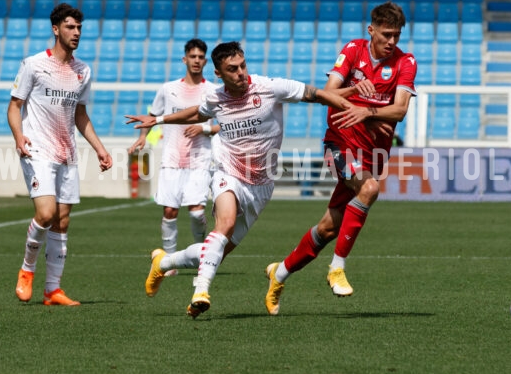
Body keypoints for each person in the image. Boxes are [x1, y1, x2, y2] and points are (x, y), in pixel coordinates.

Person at [125, 41, 360, 318]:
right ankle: (201, 291)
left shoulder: (270, 87)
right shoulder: (216, 97)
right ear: (219, 73)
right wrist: (159, 119)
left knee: (216, 250)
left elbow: (317, 94)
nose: (240, 73)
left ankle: (164, 262)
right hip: (227, 170)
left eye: (242, 66)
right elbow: (196, 113)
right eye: (232, 69)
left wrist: (352, 103)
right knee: (222, 226)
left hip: (260, 184)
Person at [264, 1, 417, 315]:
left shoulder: (406, 62)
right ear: (370, 30)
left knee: (328, 228)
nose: (392, 41)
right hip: (339, 143)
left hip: (373, 153)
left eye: (397, 35)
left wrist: (367, 113)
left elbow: (400, 110)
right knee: (370, 189)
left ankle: (278, 275)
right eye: (386, 34)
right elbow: (327, 93)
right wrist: (355, 93)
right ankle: (337, 267)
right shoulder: (352, 51)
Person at [8, 3, 113, 306]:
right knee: (46, 213)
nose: (76, 32)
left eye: (79, 27)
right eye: (70, 26)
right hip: (37, 148)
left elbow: (80, 115)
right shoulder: (34, 64)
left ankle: (52, 289)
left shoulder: (83, 71)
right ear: (56, 29)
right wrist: (19, 137)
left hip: (66, 152)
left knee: (63, 221)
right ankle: (27, 270)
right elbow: (14, 106)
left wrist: (100, 148)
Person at [128, 39, 219, 276]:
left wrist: (204, 129)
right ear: (185, 59)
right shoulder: (168, 89)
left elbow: (226, 124)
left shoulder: (213, 91)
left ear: (205, 61)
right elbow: (153, 115)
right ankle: (168, 261)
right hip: (172, 158)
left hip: (199, 158)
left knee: (197, 212)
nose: (197, 61)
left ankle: (202, 257)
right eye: (193, 56)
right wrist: (142, 138)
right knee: (170, 212)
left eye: (201, 57)